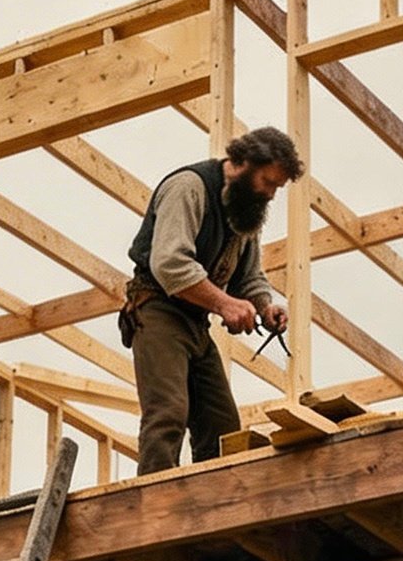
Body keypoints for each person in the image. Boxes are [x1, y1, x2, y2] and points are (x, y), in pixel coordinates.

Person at [121, 125, 304, 474]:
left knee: (222, 426)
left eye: (277, 188)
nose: (270, 195)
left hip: (196, 322)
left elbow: (248, 276)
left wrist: (264, 306)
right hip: (157, 309)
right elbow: (170, 264)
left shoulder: (244, 208)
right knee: (168, 413)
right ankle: (155, 501)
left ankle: (213, 501)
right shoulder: (189, 188)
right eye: (268, 182)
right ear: (243, 162)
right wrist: (224, 304)